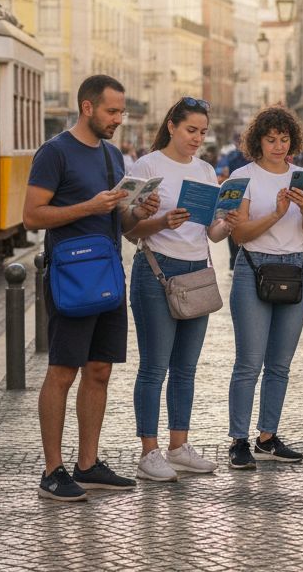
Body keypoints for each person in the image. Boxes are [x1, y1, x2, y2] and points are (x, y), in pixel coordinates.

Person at [23, 75, 160, 502]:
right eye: (112, 111)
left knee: (99, 370)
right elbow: (31, 216)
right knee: (62, 372)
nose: (119, 119)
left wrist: (138, 210)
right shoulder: (54, 152)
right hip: (71, 276)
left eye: (121, 112)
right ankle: (52, 471)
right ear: (88, 107)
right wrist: (88, 206)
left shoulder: (112, 155)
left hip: (107, 275)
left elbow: (120, 223)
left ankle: (88, 464)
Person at [124, 97, 238, 482]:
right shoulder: (148, 166)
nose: (198, 138)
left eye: (203, 132)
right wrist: (161, 223)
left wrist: (228, 223)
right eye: (191, 130)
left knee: (185, 369)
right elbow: (128, 230)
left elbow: (212, 233)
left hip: (195, 273)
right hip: (156, 270)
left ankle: (179, 446)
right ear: (171, 125)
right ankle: (148, 452)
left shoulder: (206, 171)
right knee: (155, 366)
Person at [226, 106, 303, 470]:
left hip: (296, 269)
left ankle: (268, 436)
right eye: (271, 139)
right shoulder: (242, 177)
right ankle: (239, 440)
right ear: (258, 141)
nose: (278, 146)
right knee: (249, 363)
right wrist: (278, 213)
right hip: (254, 268)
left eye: (284, 139)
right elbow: (239, 233)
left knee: (280, 364)